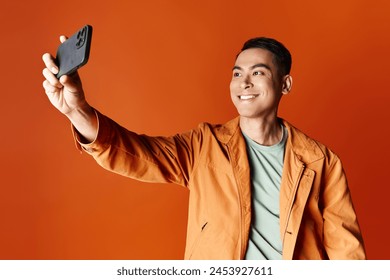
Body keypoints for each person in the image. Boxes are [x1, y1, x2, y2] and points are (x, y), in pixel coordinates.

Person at [42, 35, 366, 260]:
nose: (244, 83)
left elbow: (345, 249)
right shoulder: (204, 145)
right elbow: (135, 153)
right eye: (238, 73)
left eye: (258, 73)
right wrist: (78, 110)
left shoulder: (320, 160)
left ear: (285, 84)